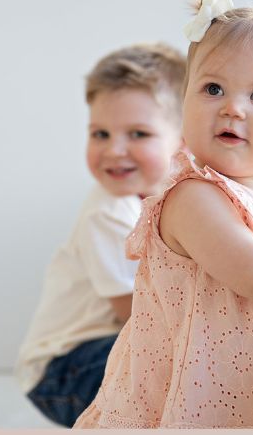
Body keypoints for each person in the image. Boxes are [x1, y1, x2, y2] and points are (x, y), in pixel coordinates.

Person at [75, 0, 253, 428]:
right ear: (185, 102)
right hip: (183, 402)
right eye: (213, 89)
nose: (232, 108)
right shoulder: (193, 197)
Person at [15, 44, 183, 427]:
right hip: (63, 367)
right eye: (100, 133)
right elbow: (136, 315)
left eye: (138, 133)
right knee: (167, 360)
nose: (114, 150)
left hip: (97, 349)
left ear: (183, 137)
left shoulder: (174, 196)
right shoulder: (108, 212)